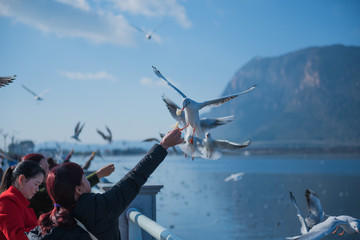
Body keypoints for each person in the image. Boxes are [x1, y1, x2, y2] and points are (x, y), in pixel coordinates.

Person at [27, 128, 182, 240]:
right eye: (84, 177)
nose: (88, 179)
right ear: (79, 189)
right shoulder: (103, 207)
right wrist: (163, 146)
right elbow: (136, 177)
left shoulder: (48, 224)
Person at [22, 153, 115, 218]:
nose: (48, 171)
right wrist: (98, 175)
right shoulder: (36, 194)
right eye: (45, 168)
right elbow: (67, 187)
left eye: (48, 167)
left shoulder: (32, 191)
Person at [0, 161, 46, 240]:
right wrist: (45, 229)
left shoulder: (20, 201)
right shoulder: (6, 201)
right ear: (22, 179)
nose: (37, 189)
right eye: (36, 184)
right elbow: (17, 236)